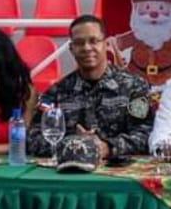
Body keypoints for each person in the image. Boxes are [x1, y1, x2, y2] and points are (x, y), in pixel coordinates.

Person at [28, 14, 152, 160]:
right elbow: (33, 138)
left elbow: (146, 134)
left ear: (106, 44)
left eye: (94, 41)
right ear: (71, 48)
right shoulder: (55, 93)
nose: (87, 48)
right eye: (79, 43)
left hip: (117, 173)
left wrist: (107, 147)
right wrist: (74, 144)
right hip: (69, 172)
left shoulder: (134, 87)